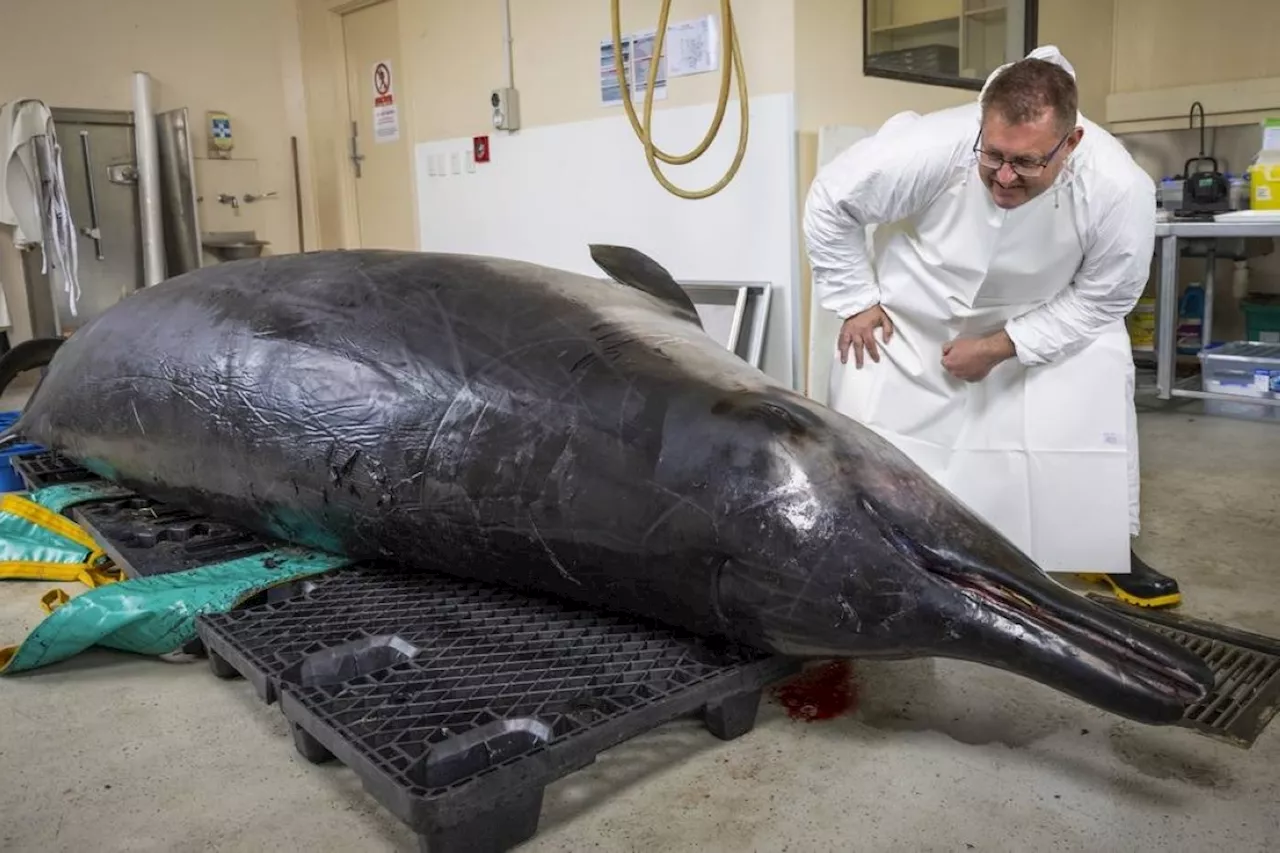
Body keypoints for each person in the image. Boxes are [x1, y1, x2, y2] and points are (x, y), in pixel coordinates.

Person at [802, 46, 1181, 608]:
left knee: (1091, 384)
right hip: (918, 315)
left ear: (1071, 144)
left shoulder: (1119, 188)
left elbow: (1106, 296)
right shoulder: (932, 145)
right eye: (994, 155)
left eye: (1027, 163)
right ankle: (875, 550)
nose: (1004, 177)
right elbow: (832, 201)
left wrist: (1005, 345)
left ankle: (1096, 548)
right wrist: (857, 300)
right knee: (873, 415)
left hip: (1050, 317)